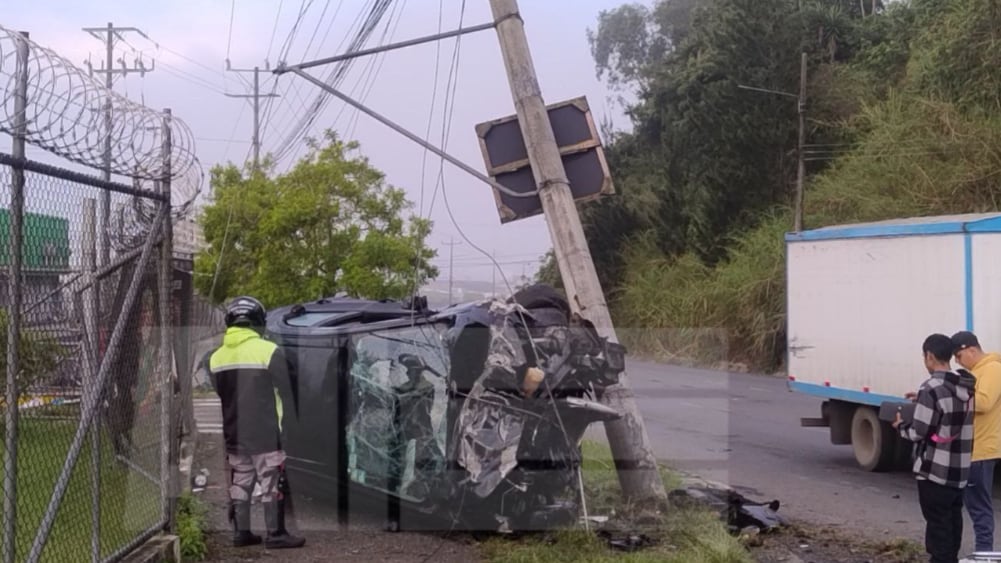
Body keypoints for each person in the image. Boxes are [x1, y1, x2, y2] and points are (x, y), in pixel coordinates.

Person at [207, 296, 304, 549]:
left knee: (241, 483)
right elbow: (288, 389)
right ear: (258, 322)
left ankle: (242, 533)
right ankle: (276, 534)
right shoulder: (268, 351)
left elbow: (221, 392)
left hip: (234, 432)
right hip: (265, 431)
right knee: (271, 481)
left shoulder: (215, 358)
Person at [894, 333, 975, 563]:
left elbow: (918, 432)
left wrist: (900, 426)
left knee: (938, 535)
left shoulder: (931, 388)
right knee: (951, 527)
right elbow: (949, 417)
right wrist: (921, 402)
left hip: (935, 472)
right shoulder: (967, 386)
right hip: (959, 473)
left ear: (930, 356)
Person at [951, 330, 1001, 552]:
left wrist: (954, 393)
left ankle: (984, 554)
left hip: (981, 450)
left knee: (980, 507)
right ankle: (983, 553)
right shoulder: (980, 371)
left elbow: (983, 402)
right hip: (973, 448)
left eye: (959, 357)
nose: (957, 361)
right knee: (975, 505)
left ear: (971, 350)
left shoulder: (992, 369)